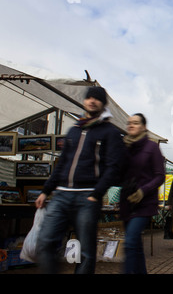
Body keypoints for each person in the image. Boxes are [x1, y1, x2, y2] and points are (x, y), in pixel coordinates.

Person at [35, 86, 124, 274]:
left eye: (97, 99)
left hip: (87, 196)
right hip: (61, 195)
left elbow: (114, 167)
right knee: (45, 241)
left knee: (86, 252)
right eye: (89, 97)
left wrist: (97, 193)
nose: (92, 101)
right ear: (84, 101)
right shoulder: (74, 130)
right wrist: (46, 190)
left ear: (103, 103)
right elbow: (62, 163)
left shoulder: (110, 132)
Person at [119, 113, 165, 274]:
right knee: (135, 247)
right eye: (129, 123)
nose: (131, 125)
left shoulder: (152, 147)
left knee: (130, 243)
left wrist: (143, 191)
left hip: (144, 203)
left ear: (144, 127)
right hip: (127, 202)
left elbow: (160, 176)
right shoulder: (124, 147)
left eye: (136, 123)